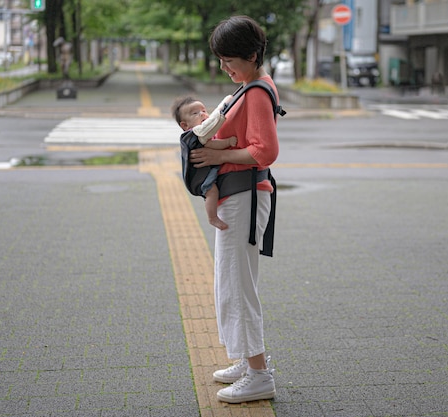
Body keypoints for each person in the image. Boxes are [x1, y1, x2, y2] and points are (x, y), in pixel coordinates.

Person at [189, 15, 279, 404]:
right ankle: (247, 362)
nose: (225, 67)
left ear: (252, 55)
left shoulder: (256, 92)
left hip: (245, 195)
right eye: (221, 60)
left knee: (238, 285)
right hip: (238, 195)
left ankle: (258, 374)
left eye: (230, 60)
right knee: (231, 282)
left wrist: (213, 152)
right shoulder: (248, 86)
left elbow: (265, 151)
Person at [172, 95, 236, 230]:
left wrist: (227, 142)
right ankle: (212, 218)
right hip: (198, 177)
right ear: (185, 125)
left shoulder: (200, 135)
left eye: (204, 110)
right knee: (211, 192)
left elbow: (212, 144)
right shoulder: (194, 134)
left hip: (204, 171)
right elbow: (213, 124)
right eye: (195, 113)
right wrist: (224, 105)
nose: (202, 114)